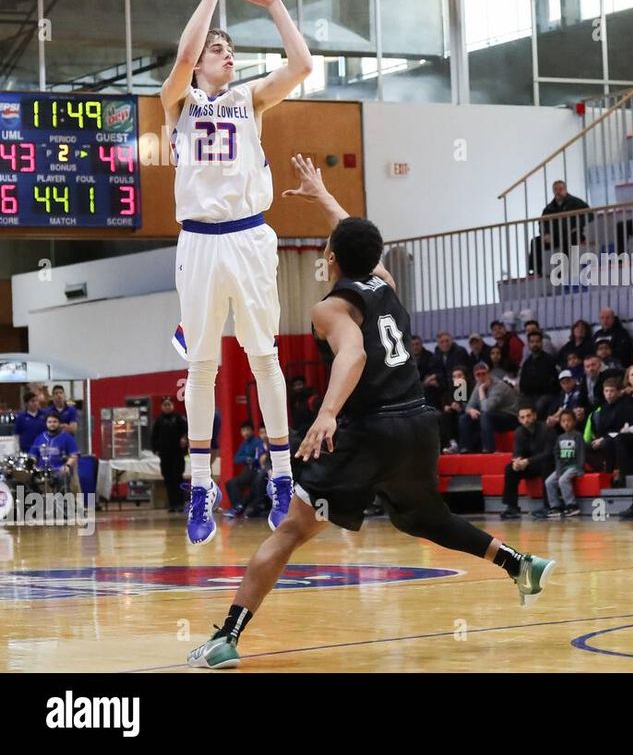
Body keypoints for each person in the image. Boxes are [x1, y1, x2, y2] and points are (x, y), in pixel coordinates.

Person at [186, 155, 554, 669]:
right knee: (425, 518)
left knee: (289, 532)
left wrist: (328, 412)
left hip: (369, 432)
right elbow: (357, 239)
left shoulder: (330, 309)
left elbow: (354, 353)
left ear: (329, 256)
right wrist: (322, 195)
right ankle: (520, 564)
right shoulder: (384, 280)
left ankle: (226, 638)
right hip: (418, 424)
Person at [163, 0, 313, 544]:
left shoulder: (250, 101)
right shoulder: (179, 102)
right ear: (201, 64)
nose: (227, 56)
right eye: (218, 51)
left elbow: (301, 63)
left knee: (264, 357)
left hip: (249, 236)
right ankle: (200, 487)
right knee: (202, 366)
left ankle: (282, 476)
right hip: (198, 241)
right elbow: (181, 55)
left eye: (230, 50)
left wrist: (274, 2)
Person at [500, 405, 556, 520]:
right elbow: (517, 452)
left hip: (548, 464)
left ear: (535, 416)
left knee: (547, 465)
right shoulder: (519, 432)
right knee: (510, 469)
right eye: (522, 417)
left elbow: (549, 454)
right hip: (530, 465)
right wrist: (517, 461)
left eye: (528, 416)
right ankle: (512, 506)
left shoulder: (546, 429)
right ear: (519, 419)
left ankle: (548, 506)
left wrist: (528, 461)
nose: (526, 419)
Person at [544, 408, 585, 519]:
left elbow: (581, 452)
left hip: (574, 466)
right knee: (548, 482)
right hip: (563, 467)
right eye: (563, 421)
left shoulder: (578, 436)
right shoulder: (560, 438)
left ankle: (572, 505)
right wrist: (558, 470)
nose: (566, 423)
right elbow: (557, 456)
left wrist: (580, 467)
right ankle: (555, 506)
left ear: (574, 422)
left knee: (563, 480)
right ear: (560, 423)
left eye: (569, 420)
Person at [150, 397, 189, 513]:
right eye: (165, 405)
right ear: (162, 407)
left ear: (173, 406)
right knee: (168, 479)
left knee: (178, 478)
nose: (167, 407)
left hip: (177, 453)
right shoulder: (159, 420)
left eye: (169, 405)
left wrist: (184, 439)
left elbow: (187, 431)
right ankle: (172, 504)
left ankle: (180, 503)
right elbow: (153, 437)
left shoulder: (179, 418)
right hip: (165, 454)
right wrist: (155, 449)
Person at [30, 411, 81, 493]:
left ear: (59, 423)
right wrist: (32, 466)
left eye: (55, 422)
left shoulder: (67, 438)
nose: (52, 424)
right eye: (49, 422)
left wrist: (67, 466)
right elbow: (33, 456)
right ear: (46, 423)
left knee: (62, 478)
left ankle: (62, 503)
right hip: (41, 471)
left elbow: (73, 456)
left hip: (59, 470)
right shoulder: (39, 438)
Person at [224, 421, 266, 517]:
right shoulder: (243, 444)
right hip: (248, 469)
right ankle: (238, 507)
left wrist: (249, 459)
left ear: (252, 431)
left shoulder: (258, 442)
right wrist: (247, 458)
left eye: (247, 430)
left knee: (236, 483)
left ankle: (239, 507)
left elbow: (258, 459)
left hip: (256, 470)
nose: (245, 433)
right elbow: (236, 459)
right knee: (230, 483)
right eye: (243, 430)